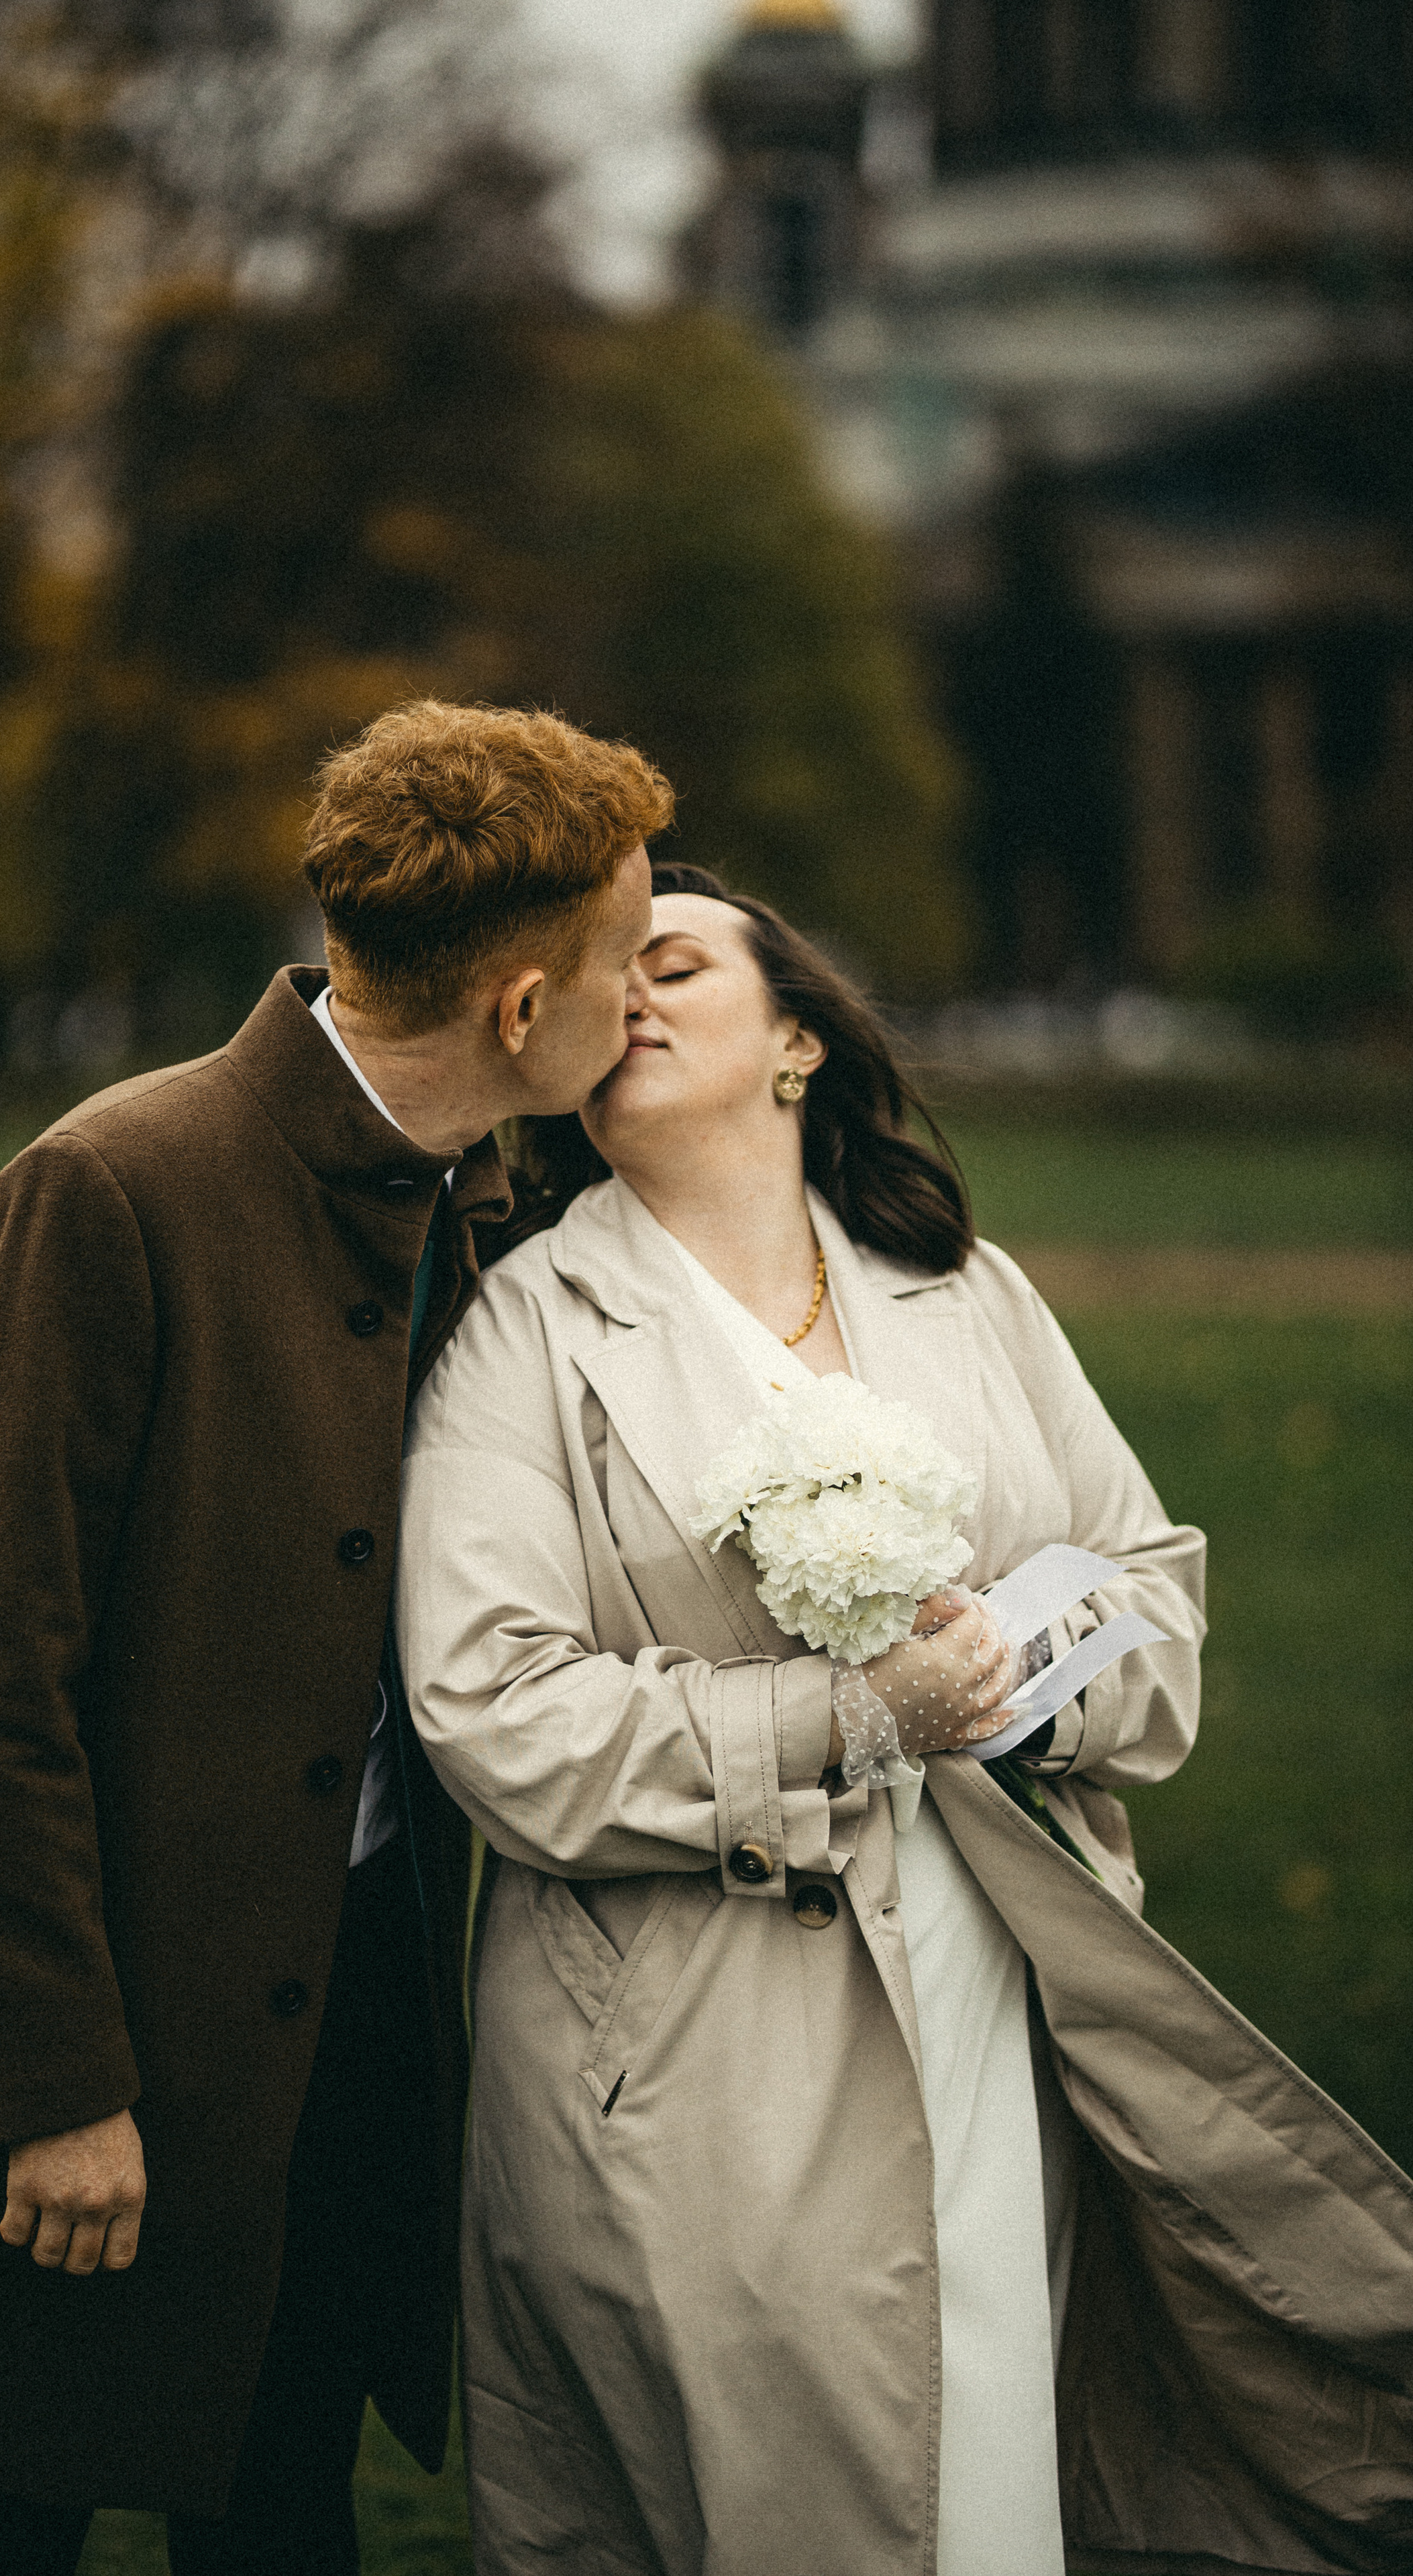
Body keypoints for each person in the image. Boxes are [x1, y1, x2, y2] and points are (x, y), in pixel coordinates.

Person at [396, 862, 1413, 2576]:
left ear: (797, 1038)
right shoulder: (524, 1328)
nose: (624, 990)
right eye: (595, 972)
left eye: (671, 963)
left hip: (992, 1980)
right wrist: (850, 1714)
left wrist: (1007, 1677)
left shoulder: (964, 1290)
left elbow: (1146, 1593)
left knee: (990, 2464)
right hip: (691, 2044)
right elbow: (493, 1710)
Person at [0, 701, 671, 2574]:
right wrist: (57, 2089)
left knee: (280, 2522)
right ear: (519, 1011)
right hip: (85, 2036)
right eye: (628, 960)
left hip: (341, 2041)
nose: (644, 998)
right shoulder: (107, 1188)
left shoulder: (490, 1204)